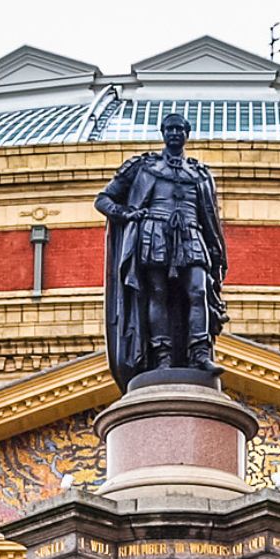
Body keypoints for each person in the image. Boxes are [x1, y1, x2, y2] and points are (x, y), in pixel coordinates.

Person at [94, 113, 228, 382]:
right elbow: (103, 199)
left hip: (191, 234)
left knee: (197, 290)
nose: (175, 133)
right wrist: (127, 214)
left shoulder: (199, 174)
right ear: (163, 133)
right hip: (153, 234)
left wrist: (216, 252)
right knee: (157, 294)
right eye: (170, 129)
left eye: (180, 128)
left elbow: (209, 216)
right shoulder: (143, 167)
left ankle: (200, 353)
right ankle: (162, 355)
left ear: (187, 133)